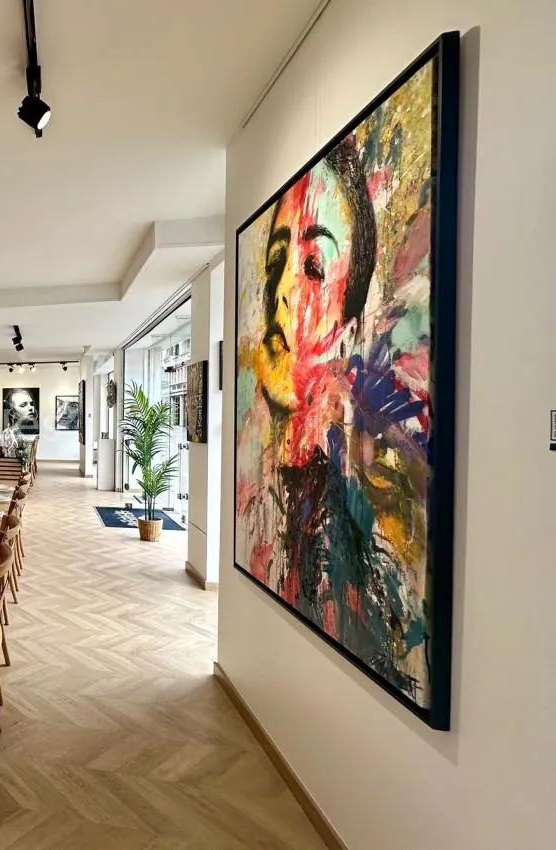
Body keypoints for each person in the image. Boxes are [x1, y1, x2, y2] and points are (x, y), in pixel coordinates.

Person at [241, 135, 431, 703]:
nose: (279, 293)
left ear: (348, 332)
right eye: (276, 263)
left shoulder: (358, 518)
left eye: (313, 267)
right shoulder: (259, 487)